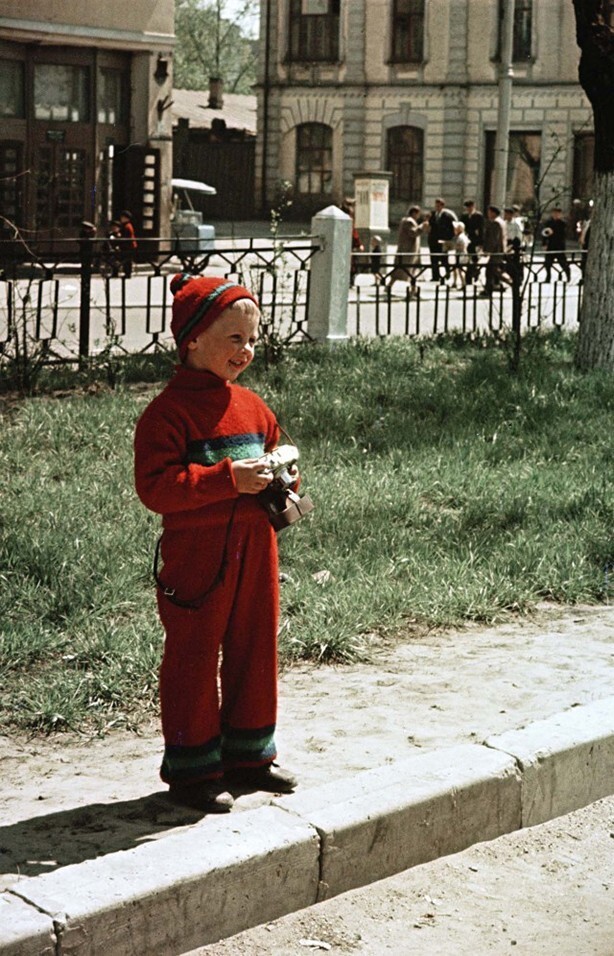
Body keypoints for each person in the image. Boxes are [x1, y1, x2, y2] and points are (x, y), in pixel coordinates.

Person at [134, 274, 299, 813]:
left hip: (256, 550)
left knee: (256, 644)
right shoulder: (167, 414)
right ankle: (192, 768)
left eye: (254, 340)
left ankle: (251, 757)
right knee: (194, 655)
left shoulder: (252, 407)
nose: (247, 351)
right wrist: (226, 479)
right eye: (235, 340)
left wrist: (285, 476)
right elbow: (156, 487)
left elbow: (278, 452)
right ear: (193, 341)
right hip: (198, 559)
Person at [387, 205, 424, 290]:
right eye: (418, 214)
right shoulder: (409, 221)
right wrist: (422, 227)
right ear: (414, 213)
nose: (419, 216)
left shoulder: (408, 221)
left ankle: (413, 289)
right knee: (405, 270)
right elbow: (413, 233)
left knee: (408, 271)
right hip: (408, 251)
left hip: (410, 251)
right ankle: (390, 286)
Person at [428, 198, 457, 282]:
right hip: (433, 239)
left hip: (443, 240)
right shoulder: (433, 214)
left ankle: (447, 274)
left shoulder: (447, 215)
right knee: (433, 258)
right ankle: (435, 276)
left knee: (444, 258)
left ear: (442, 206)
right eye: (436, 205)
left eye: (439, 205)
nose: (437, 207)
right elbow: (430, 225)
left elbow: (453, 227)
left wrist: (449, 238)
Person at [480, 205, 507, 297]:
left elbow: (493, 239)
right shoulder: (501, 222)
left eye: (489, 212)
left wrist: (488, 250)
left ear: (493, 213)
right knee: (492, 270)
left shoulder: (495, 223)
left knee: (492, 270)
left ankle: (511, 282)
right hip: (499, 250)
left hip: (496, 250)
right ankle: (490, 288)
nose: (488, 214)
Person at [540, 206, 570, 282]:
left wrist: (553, 232)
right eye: (555, 213)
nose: (556, 214)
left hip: (559, 245)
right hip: (550, 245)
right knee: (547, 263)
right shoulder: (548, 222)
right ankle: (548, 277)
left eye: (558, 213)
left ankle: (568, 275)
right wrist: (544, 244)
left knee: (563, 262)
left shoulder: (562, 223)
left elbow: (563, 234)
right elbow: (544, 233)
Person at [460, 200, 484, 285]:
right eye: (467, 207)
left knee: (474, 259)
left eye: (470, 207)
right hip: (467, 240)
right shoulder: (464, 216)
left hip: (475, 240)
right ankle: (469, 278)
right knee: (468, 259)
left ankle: (476, 272)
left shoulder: (478, 216)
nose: (469, 209)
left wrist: (481, 243)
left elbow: (481, 229)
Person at [450, 220, 470, 289]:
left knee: (461, 270)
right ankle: (455, 283)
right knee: (456, 269)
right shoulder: (459, 236)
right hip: (459, 254)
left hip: (461, 254)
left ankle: (463, 283)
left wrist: (454, 245)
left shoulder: (461, 237)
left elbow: (462, 246)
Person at [118, 209, 137, 278]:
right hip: (129, 245)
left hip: (128, 246)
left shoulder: (127, 226)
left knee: (127, 260)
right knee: (127, 260)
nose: (121, 219)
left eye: (122, 217)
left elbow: (126, 237)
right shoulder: (127, 225)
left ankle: (127, 273)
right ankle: (127, 272)